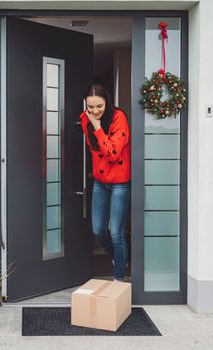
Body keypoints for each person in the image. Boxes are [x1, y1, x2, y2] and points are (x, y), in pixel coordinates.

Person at [80, 84, 131, 281]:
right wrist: (92, 123)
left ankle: (118, 279)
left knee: (115, 231)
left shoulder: (119, 118)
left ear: (106, 102)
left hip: (119, 182)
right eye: (90, 106)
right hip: (100, 181)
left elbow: (112, 153)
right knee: (98, 230)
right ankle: (120, 258)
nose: (94, 111)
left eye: (99, 106)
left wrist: (98, 127)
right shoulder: (86, 119)